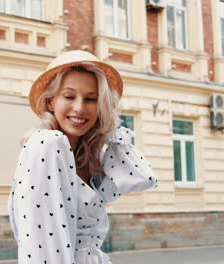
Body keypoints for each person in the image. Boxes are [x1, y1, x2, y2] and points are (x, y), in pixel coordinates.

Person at [8, 50, 157, 264]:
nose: (79, 108)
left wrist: (109, 128)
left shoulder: (87, 159)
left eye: (91, 99)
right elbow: (42, 250)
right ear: (51, 102)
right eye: (69, 96)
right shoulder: (46, 145)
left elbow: (142, 177)